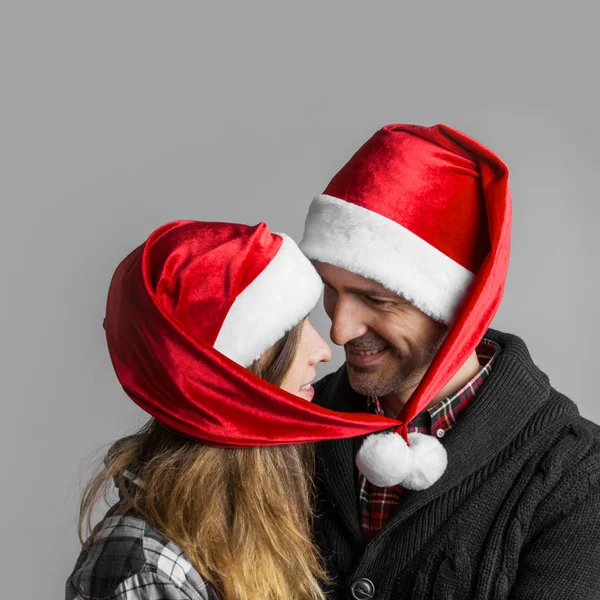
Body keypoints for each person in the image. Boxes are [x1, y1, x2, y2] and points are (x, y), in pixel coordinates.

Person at [299, 124, 600, 599]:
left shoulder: (575, 476)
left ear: (458, 308)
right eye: (330, 291)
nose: (338, 329)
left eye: (375, 299)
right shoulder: (294, 427)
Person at [66, 220, 407, 600]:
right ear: (231, 374)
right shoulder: (148, 567)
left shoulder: (263, 505)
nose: (323, 351)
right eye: (293, 330)